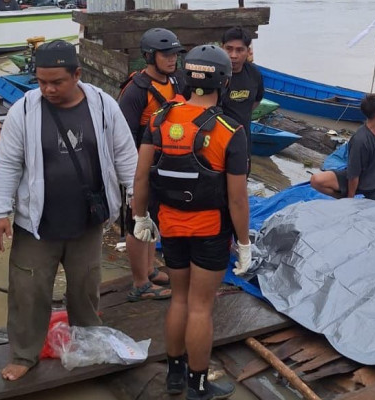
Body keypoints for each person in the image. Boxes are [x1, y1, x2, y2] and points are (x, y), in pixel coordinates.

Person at [0, 40, 138, 381]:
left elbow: (126, 157)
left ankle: (88, 341)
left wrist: (138, 205)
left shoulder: (103, 105)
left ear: (77, 75)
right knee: (28, 289)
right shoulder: (23, 110)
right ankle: (25, 354)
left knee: (85, 286)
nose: (48, 89)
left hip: (87, 220)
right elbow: (7, 163)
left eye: (56, 81)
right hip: (36, 222)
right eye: (41, 81)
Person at [131, 44, 250, 400]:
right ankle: (199, 384)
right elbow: (237, 198)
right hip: (210, 229)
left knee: (179, 300)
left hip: (170, 224)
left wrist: (140, 217)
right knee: (201, 306)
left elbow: (141, 177)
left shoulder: (161, 118)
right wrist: (243, 243)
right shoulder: (231, 130)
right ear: (224, 82)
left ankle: (174, 375)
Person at [117, 28, 186, 302]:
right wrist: (133, 176)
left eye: (175, 54)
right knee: (138, 220)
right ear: (149, 56)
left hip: (164, 165)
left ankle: (149, 268)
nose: (172, 60)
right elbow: (123, 136)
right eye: (166, 54)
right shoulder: (135, 91)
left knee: (153, 219)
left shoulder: (175, 82)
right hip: (140, 167)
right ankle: (140, 283)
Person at [310, 94, 375, 212]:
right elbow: (353, 175)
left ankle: (365, 205)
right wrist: (350, 201)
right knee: (316, 180)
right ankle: (344, 199)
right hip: (356, 180)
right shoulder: (360, 140)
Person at [220, 26, 264, 162]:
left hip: (242, 139)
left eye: (239, 50)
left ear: (248, 51)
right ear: (222, 48)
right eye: (229, 49)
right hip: (216, 141)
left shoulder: (254, 74)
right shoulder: (213, 73)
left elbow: (256, 101)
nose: (233, 55)